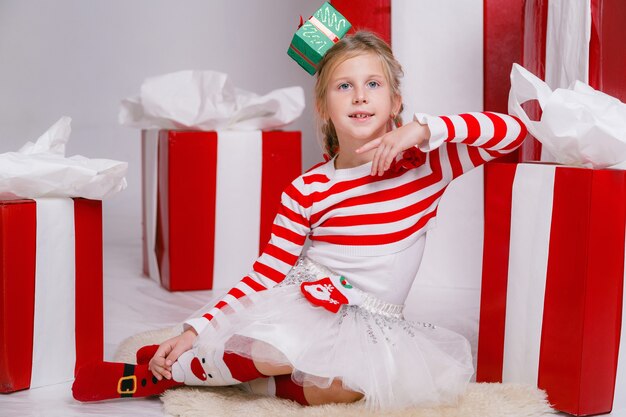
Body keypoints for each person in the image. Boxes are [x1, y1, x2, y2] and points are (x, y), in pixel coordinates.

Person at [72, 31, 527, 410]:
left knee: (356, 386)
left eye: (373, 84)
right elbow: (266, 271)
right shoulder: (308, 189)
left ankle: (255, 385)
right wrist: (196, 328)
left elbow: (512, 132)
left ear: (395, 102)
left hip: (374, 320)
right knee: (274, 351)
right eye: (343, 86)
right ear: (324, 108)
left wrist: (426, 129)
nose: (360, 95)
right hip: (308, 305)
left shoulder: (426, 167)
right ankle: (178, 374)